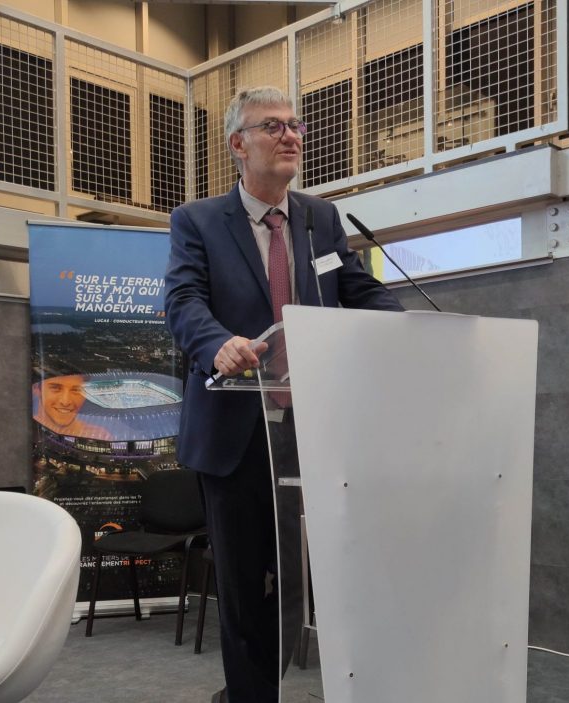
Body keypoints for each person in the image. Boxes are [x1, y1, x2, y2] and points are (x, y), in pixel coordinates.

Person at [164, 86, 403, 703]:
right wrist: (218, 343)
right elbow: (183, 301)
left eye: (295, 125)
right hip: (235, 434)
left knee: (310, 576)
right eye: (273, 126)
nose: (291, 135)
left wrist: (412, 326)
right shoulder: (198, 221)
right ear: (238, 144)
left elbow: (357, 289)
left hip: (311, 432)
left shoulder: (321, 218)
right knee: (246, 584)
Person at [32, 374, 110, 440]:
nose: (65, 402)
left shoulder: (98, 436)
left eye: (75, 390)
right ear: (35, 388)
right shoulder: (26, 430)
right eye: (55, 388)